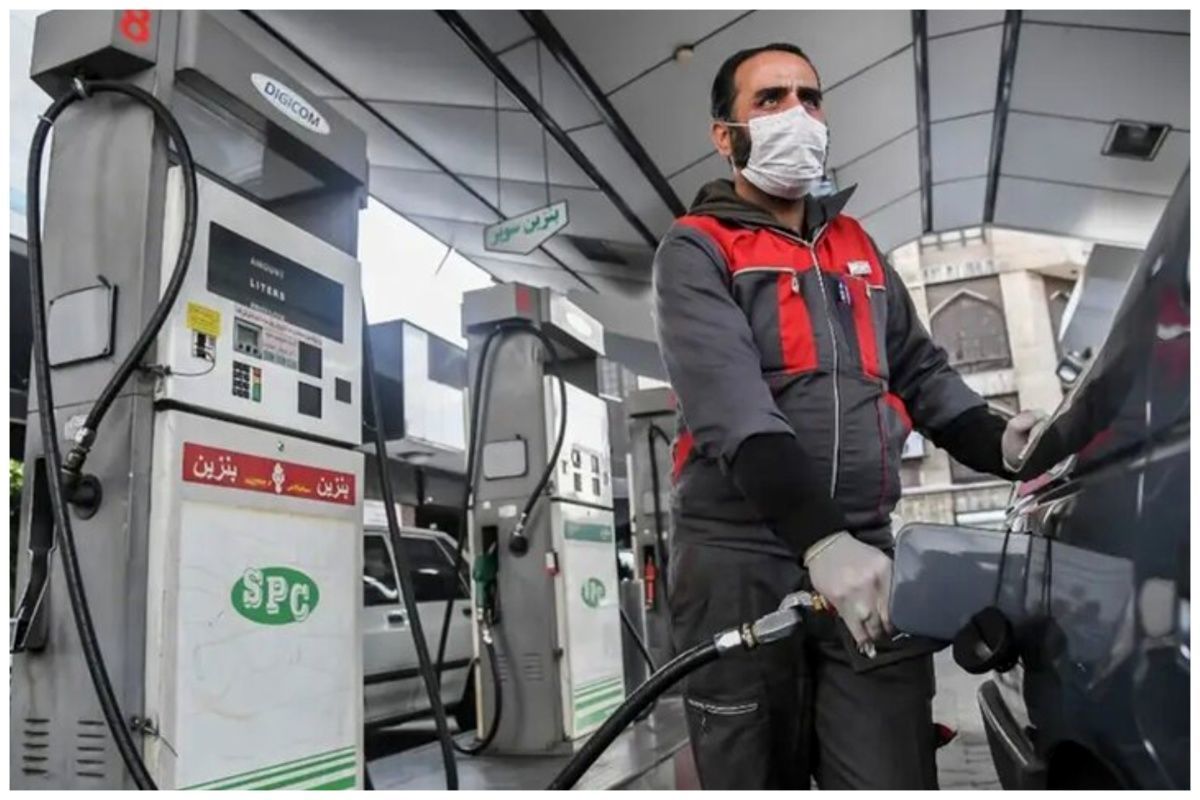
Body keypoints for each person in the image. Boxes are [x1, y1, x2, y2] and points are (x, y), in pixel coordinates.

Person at [653, 42, 1045, 790]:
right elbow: (733, 407)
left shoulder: (856, 247)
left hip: (866, 553)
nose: (796, 113)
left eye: (809, 97)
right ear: (725, 134)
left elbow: (921, 373)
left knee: (889, 764)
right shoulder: (697, 248)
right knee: (751, 769)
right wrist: (819, 539)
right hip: (737, 560)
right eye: (770, 99)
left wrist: (1002, 441)